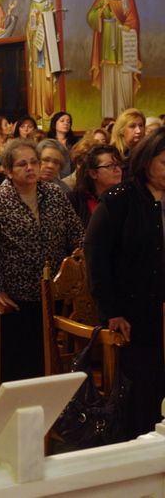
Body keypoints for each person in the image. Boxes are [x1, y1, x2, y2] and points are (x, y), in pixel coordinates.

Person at [0, 138, 84, 381]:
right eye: (22, 164)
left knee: (46, 356)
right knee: (20, 360)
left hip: (52, 292)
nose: (30, 168)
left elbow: (76, 234)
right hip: (16, 296)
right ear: (9, 171)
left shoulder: (54, 193)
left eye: (34, 162)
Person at [84, 127, 165, 440]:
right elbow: (96, 256)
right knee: (142, 392)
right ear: (147, 161)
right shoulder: (121, 198)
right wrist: (112, 311)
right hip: (132, 313)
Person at [87, 0, 140, 119]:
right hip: (107, 43)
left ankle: (125, 116)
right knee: (109, 77)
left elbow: (134, 20)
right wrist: (102, 8)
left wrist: (128, 26)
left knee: (124, 76)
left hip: (124, 42)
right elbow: (91, 17)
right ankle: (109, 117)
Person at [66, 144, 123, 227]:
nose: (118, 169)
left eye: (118, 164)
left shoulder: (126, 197)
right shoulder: (74, 200)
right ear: (93, 173)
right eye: (110, 166)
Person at [27, 0, 55, 121]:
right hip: (36, 43)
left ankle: (47, 108)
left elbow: (52, 19)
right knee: (38, 73)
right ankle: (38, 109)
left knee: (47, 74)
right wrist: (31, 29)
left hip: (46, 43)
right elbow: (30, 22)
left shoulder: (49, 0)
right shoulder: (33, 1)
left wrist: (43, 21)